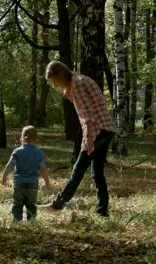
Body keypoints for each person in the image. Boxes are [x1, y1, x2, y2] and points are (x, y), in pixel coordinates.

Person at [44, 61, 116, 217]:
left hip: (97, 130)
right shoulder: (79, 80)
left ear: (61, 75)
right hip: (106, 128)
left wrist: (89, 138)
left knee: (78, 170)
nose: (55, 86)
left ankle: (58, 204)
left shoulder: (77, 84)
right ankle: (102, 211)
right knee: (97, 172)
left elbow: (87, 114)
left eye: (55, 81)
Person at [2, 125, 51, 221]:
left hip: (18, 183)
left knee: (17, 204)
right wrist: (47, 182)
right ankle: (31, 221)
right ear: (36, 140)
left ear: (22, 139)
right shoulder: (39, 153)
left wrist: (4, 177)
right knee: (31, 205)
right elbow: (43, 169)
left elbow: (10, 165)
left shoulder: (17, 152)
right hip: (32, 184)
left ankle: (17, 221)